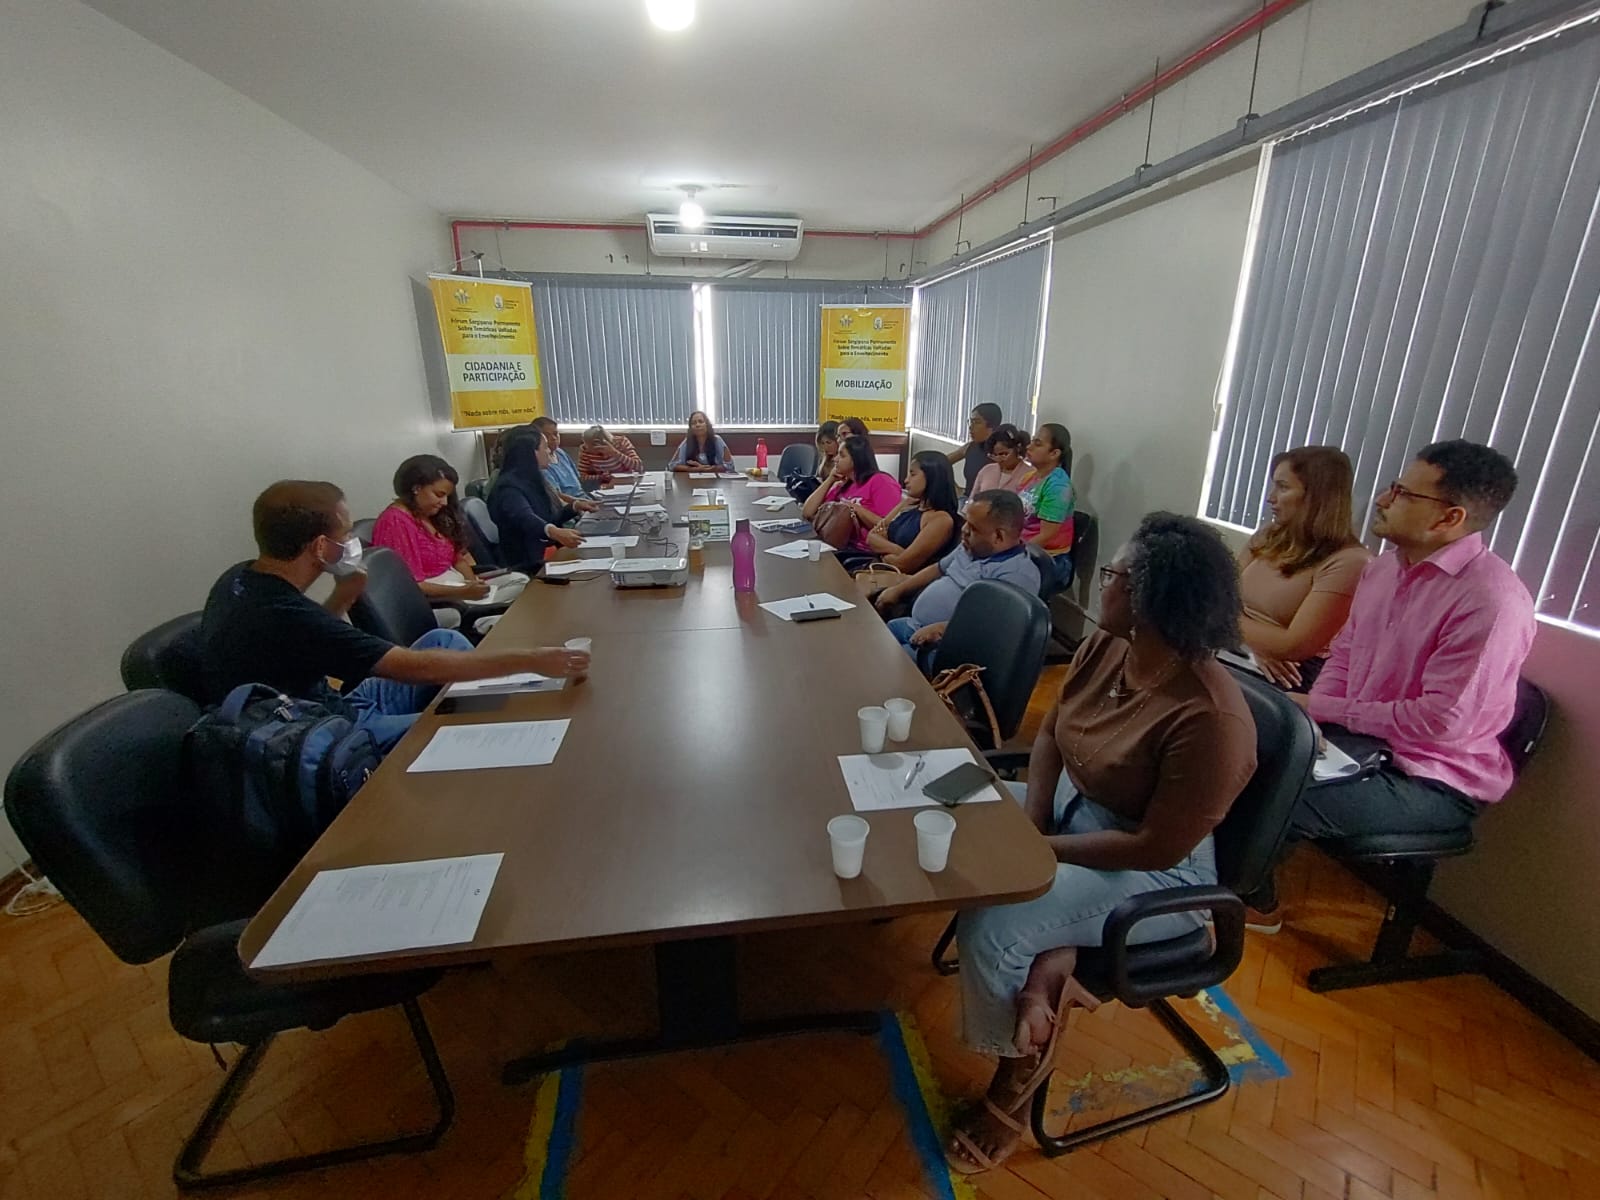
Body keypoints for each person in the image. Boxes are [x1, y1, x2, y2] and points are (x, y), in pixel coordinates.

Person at [945, 513, 1256, 1174]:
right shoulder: (1109, 646)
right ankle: (1053, 962)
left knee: (994, 923)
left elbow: (1154, 849)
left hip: (1160, 874)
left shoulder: (1211, 719)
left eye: (1113, 574)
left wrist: (1040, 854)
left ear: (1147, 600)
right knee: (952, 809)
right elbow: (1052, 733)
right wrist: (1034, 825)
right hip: (1071, 813)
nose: (1102, 582)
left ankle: (1017, 1074)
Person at [1247, 440, 1536, 931]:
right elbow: (1344, 654)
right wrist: (1314, 716)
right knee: (1235, 749)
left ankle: (1249, 902)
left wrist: (1327, 712)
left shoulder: (1491, 601)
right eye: (1392, 487)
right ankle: (1196, 877)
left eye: (1402, 493)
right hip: (1358, 742)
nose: (1382, 499)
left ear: (1449, 518)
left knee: (1275, 791)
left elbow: (1440, 721)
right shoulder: (1383, 570)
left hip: (1430, 777)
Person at [201, 481, 587, 752]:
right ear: (320, 546)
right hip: (331, 728)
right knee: (458, 720)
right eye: (345, 535)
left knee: (447, 639)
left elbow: (312, 640)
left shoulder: (239, 578)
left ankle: (475, 699)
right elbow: (411, 667)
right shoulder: (286, 614)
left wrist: (343, 595)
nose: (351, 544)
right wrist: (529, 660)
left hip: (335, 699)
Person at [1237, 446, 1370, 692]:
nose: (1271, 498)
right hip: (1241, 650)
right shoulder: (1269, 535)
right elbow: (1220, 596)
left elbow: (1293, 646)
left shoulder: (1350, 561)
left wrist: (1225, 624)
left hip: (1288, 673)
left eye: (1283, 487)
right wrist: (1255, 645)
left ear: (1317, 496)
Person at [875, 490, 1039, 656]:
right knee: (875, 636)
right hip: (915, 625)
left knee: (885, 659)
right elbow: (938, 568)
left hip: (945, 648)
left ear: (998, 536)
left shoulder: (1017, 575)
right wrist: (898, 590)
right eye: (966, 522)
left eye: (973, 528)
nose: (964, 530)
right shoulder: (972, 547)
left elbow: (994, 627)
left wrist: (942, 629)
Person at [371, 455, 494, 603]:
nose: (444, 502)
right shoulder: (395, 521)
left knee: (515, 581)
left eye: (447, 496)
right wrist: (464, 592)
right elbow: (412, 584)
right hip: (437, 602)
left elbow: (457, 559)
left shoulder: (430, 515)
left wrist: (473, 584)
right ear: (416, 488)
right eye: (439, 495)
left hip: (459, 590)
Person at [852, 452, 961, 589]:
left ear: (932, 476)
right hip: (875, 568)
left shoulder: (940, 520)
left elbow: (904, 565)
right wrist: (899, 550)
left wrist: (883, 549)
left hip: (898, 584)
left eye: (912, 474)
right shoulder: (908, 504)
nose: (906, 480)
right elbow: (872, 537)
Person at [488, 431, 587, 572]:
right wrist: (555, 532)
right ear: (531, 453)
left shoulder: (532, 479)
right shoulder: (508, 487)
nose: (549, 451)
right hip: (528, 563)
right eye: (545, 447)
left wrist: (575, 506)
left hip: (545, 553)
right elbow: (525, 517)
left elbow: (549, 518)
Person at [801, 434, 903, 553]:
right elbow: (807, 512)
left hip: (861, 551)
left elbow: (889, 527)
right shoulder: (843, 485)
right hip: (832, 545)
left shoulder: (881, 481)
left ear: (856, 459)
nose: (835, 459)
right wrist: (830, 480)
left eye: (842, 455)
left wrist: (854, 508)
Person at [1018, 423, 1076, 588]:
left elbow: (1046, 536)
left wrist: (1012, 554)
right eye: (1032, 441)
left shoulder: (1058, 486)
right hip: (1024, 547)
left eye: (1037, 444)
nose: (1029, 447)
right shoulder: (1030, 477)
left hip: (1049, 558)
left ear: (1054, 453)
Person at [533, 417, 599, 498]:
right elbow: (556, 496)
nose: (554, 438)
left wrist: (604, 481)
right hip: (571, 503)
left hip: (584, 496)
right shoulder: (541, 463)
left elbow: (579, 480)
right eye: (546, 435)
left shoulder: (560, 452)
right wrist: (577, 503)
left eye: (555, 434)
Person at [946, 403, 1003, 495]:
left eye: (976, 422)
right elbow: (941, 462)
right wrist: (957, 490)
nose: (970, 427)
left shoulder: (1001, 454)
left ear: (992, 426)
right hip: (967, 499)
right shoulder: (970, 447)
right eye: (971, 422)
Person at [970, 424, 1038, 496]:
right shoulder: (986, 471)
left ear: (1018, 448)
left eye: (1004, 454)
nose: (999, 459)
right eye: (994, 455)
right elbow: (972, 499)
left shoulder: (1030, 475)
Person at [669, 411, 734, 472]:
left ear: (707, 424)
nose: (697, 425)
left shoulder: (717, 440)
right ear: (691, 428)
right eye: (694, 423)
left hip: (715, 478)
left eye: (701, 421)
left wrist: (709, 468)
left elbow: (730, 466)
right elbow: (672, 465)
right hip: (693, 479)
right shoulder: (687, 442)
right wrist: (694, 469)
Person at [577, 424, 643, 480]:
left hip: (625, 481)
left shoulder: (621, 442)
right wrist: (600, 477)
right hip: (603, 485)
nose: (587, 448)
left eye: (589, 446)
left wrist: (615, 453)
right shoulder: (585, 450)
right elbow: (581, 476)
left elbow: (639, 467)